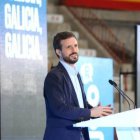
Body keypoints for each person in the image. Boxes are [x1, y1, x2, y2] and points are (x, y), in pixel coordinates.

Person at [43, 31, 113, 140]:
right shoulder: (54, 77)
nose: (74, 50)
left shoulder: (77, 75)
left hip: (80, 135)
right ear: (59, 52)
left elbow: (79, 105)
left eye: (75, 46)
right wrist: (90, 112)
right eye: (69, 47)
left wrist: (96, 111)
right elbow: (59, 108)